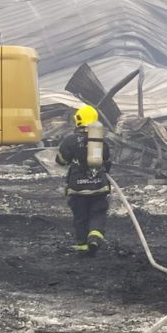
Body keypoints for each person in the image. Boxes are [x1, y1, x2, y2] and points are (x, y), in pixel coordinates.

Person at [55, 105, 112, 255]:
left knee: (80, 215)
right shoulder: (99, 140)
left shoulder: (70, 140)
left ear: (78, 119)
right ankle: (94, 237)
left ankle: (81, 244)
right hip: (98, 186)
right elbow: (107, 159)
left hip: (77, 187)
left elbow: (61, 160)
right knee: (98, 213)